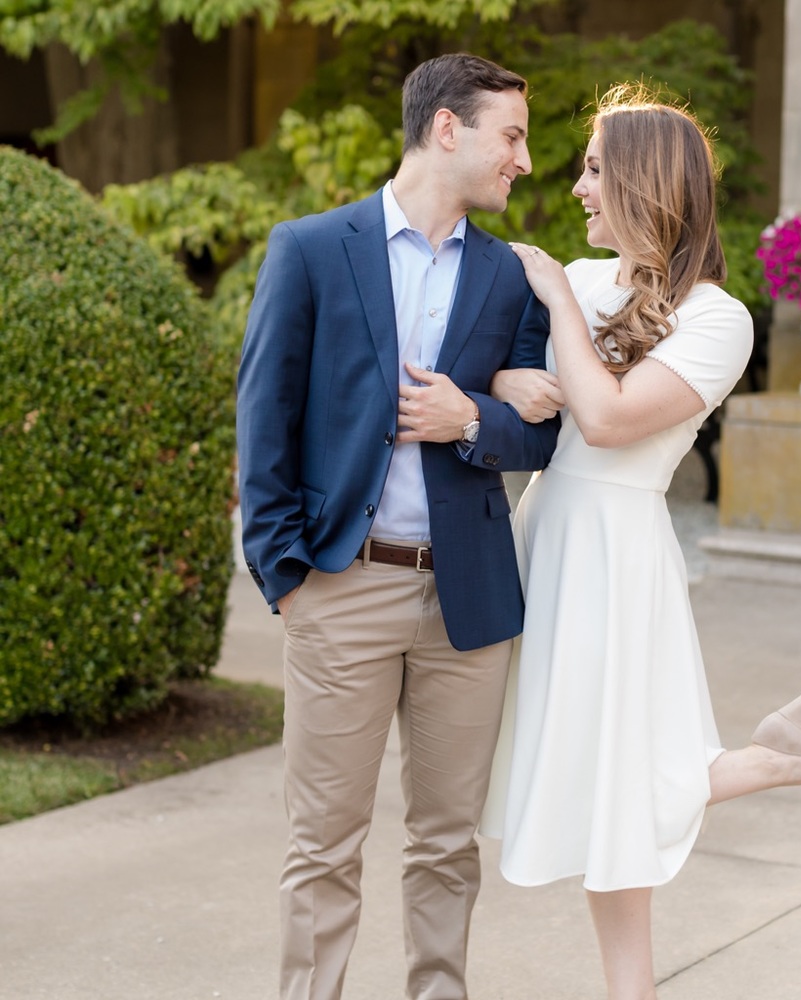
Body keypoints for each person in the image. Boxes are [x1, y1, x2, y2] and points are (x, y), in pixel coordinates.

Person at [481, 86, 801, 1000]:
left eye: (591, 169)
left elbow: (613, 420)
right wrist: (510, 370)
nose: (576, 188)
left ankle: (636, 986)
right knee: (590, 776)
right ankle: (771, 759)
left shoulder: (717, 318)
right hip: (550, 533)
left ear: (640, 182)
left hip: (619, 550)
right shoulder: (579, 281)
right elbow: (501, 377)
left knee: (620, 780)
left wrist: (554, 305)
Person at [236, 53, 560, 1000]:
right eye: (512, 135)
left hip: (468, 603)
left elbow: (538, 429)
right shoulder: (310, 248)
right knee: (324, 844)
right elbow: (265, 419)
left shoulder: (509, 277)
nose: (526, 160)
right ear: (447, 129)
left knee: (449, 844)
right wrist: (287, 575)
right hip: (343, 587)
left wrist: (473, 417)